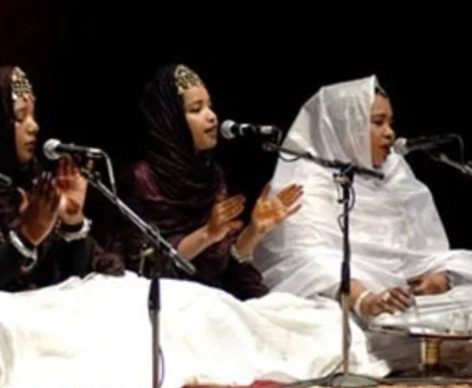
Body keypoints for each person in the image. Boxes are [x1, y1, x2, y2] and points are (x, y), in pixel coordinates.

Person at [254, 76, 472, 373]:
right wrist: (365, 299)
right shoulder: (305, 181)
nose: (390, 133)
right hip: (341, 303)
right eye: (377, 122)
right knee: (320, 327)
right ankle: (399, 339)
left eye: (390, 122)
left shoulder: (396, 173)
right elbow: (305, 261)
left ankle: (407, 334)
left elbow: (428, 251)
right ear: (344, 126)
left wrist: (437, 280)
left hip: (402, 302)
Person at [122, 64, 301, 300]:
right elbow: (144, 265)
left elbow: (223, 267)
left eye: (210, 106)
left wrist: (253, 231)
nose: (212, 116)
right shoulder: (142, 177)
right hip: (160, 301)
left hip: (207, 297)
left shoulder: (212, 176)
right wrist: (207, 233)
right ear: (170, 120)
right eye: (196, 109)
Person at [0, 65, 122, 292]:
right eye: (20, 115)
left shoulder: (35, 181)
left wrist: (72, 220)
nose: (34, 126)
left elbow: (72, 275)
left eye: (33, 114)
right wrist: (27, 236)